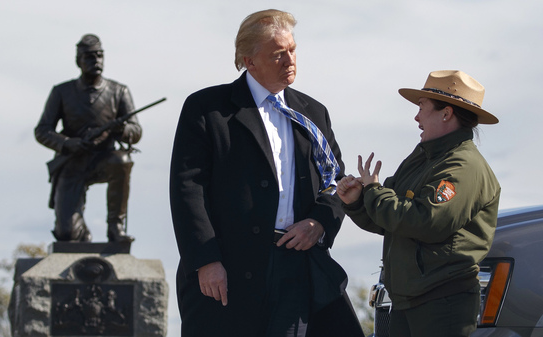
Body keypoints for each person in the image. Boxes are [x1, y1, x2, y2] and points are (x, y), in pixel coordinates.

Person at [169, 9, 363, 337]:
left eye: (292, 50)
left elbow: (335, 182)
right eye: (278, 54)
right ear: (250, 60)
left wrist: (320, 222)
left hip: (295, 267)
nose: (290, 59)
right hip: (227, 269)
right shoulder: (207, 109)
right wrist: (205, 260)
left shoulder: (313, 113)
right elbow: (188, 188)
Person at [337, 70, 501, 337]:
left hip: (441, 303)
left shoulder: (463, 165)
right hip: (413, 300)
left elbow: (426, 221)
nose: (416, 117)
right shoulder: (425, 157)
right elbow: (390, 218)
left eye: (422, 108)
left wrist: (374, 192)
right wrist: (357, 201)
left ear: (446, 113)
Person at [35, 34, 142, 243]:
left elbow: (136, 131)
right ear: (78, 61)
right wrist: (67, 143)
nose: (97, 61)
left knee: (122, 161)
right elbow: (42, 130)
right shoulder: (61, 92)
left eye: (100, 56)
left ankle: (115, 227)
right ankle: (82, 235)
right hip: (72, 162)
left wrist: (121, 130)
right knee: (66, 235)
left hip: (104, 159)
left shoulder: (119, 91)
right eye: (90, 57)